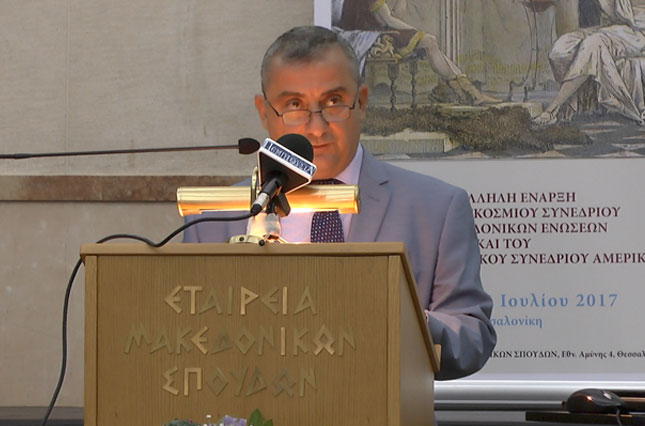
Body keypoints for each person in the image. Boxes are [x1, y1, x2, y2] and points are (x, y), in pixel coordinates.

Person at [183, 26, 496, 380]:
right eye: (294, 105)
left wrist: (401, 319)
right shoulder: (214, 218)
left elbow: (472, 339)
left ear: (361, 102)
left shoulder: (436, 208)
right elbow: (188, 339)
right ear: (264, 111)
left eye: (333, 102)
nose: (316, 128)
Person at [332, 0, 502, 105]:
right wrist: (416, 32)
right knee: (429, 41)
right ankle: (471, 93)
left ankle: (470, 93)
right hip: (371, 35)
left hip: (382, 30)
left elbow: (394, 16)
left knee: (430, 42)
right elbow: (389, 20)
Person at [534, 0, 645, 125]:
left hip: (638, 36)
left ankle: (553, 109)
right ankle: (572, 102)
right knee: (561, 48)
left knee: (593, 43)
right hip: (617, 29)